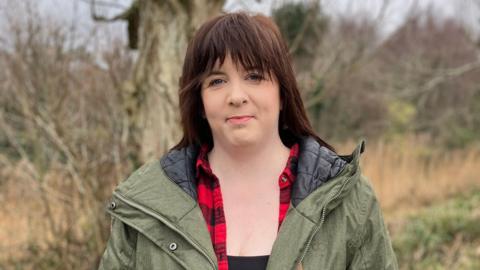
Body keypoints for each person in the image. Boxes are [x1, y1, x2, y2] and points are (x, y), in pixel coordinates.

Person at [98, 12, 398, 270]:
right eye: (217, 81)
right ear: (199, 102)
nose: (237, 96)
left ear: (282, 93)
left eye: (254, 76)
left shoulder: (349, 200)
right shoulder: (145, 204)